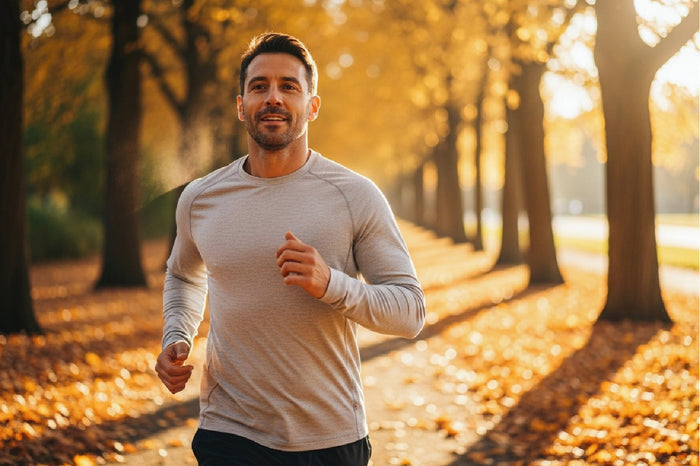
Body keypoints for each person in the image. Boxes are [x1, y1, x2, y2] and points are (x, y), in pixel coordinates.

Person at [155, 32, 426, 466]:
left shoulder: (355, 195)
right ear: (241, 104)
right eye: (259, 86)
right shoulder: (200, 198)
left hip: (328, 436)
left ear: (312, 106)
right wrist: (176, 334)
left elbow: (410, 312)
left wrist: (331, 285)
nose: (273, 98)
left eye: (289, 86)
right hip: (228, 431)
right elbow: (185, 273)